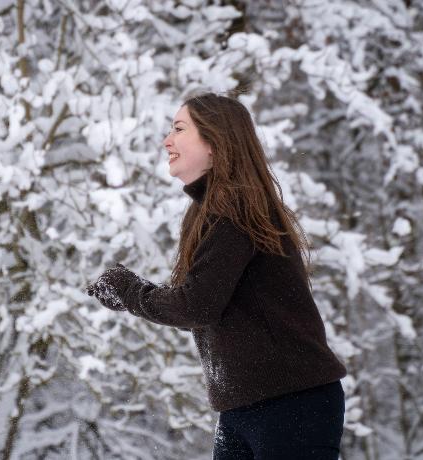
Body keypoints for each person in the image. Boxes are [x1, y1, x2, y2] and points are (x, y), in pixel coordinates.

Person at [86, 92, 347, 460]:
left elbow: (197, 305)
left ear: (214, 144)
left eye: (179, 129)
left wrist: (130, 292)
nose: (167, 140)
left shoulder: (236, 211)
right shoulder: (213, 211)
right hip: (246, 405)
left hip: (291, 402)